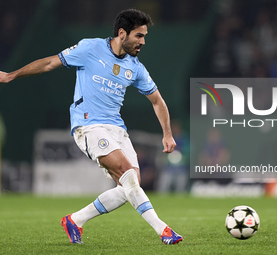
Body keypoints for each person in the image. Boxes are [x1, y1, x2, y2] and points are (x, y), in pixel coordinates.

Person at [0, 9, 182, 245]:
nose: (143, 42)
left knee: (129, 187)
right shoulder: (89, 48)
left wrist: (167, 134)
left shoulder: (135, 67)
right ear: (122, 33)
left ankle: (75, 220)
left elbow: (158, 101)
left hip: (117, 129)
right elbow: (49, 63)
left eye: (144, 36)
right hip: (88, 126)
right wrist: (10, 76)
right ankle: (164, 230)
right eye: (139, 36)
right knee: (128, 177)